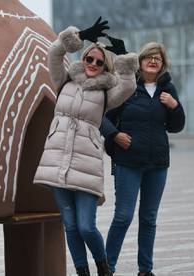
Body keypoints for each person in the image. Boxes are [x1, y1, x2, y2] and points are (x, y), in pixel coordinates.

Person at [33, 17, 139, 276]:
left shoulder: (107, 92)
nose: (92, 64)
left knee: (86, 227)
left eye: (99, 62)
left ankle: (103, 267)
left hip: (86, 163)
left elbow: (127, 86)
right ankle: (82, 272)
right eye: (89, 59)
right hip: (57, 162)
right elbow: (54, 53)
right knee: (69, 226)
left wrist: (124, 57)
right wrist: (78, 35)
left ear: (105, 66)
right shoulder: (65, 80)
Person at [100, 42, 186, 276]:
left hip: (157, 164)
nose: (153, 61)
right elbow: (103, 117)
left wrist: (174, 106)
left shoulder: (167, 89)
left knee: (149, 219)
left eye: (158, 58)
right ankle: (107, 268)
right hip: (128, 162)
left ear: (162, 64)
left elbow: (177, 126)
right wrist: (115, 135)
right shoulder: (127, 86)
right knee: (123, 217)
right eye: (149, 56)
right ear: (140, 61)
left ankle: (145, 270)